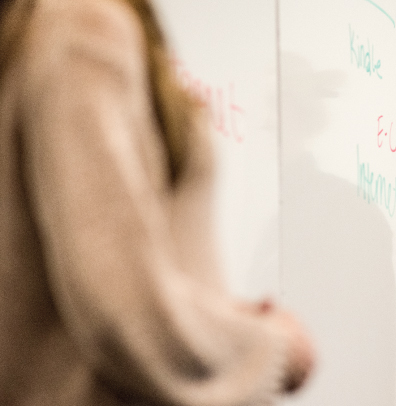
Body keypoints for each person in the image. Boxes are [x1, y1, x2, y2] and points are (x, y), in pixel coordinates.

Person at [0, 0, 313, 404]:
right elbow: (120, 310)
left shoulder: (39, 30)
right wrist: (271, 348)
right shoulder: (81, 27)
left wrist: (217, 318)